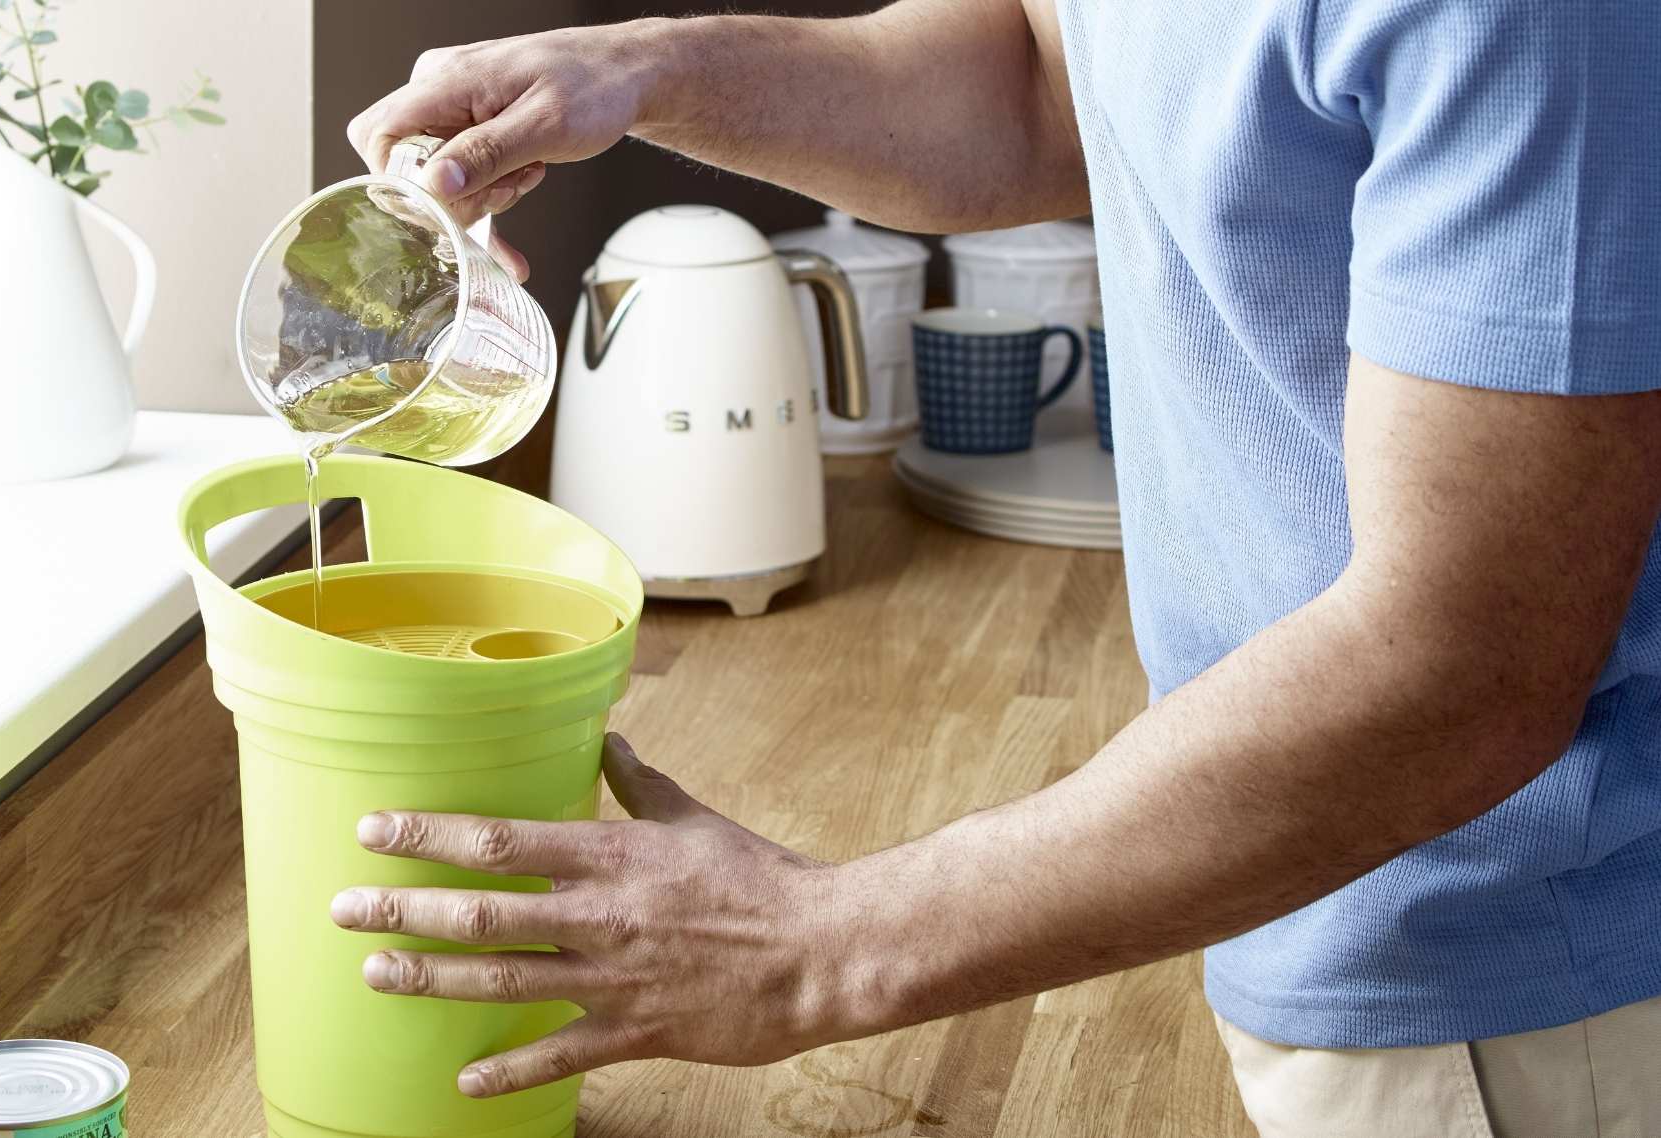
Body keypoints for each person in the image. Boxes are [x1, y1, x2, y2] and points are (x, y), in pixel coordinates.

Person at [323, 5, 1661, 1134]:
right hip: (1299, 876)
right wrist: (643, 69)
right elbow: (1032, 82)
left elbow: (1468, 661)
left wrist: (812, 950)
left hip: (1529, 985)